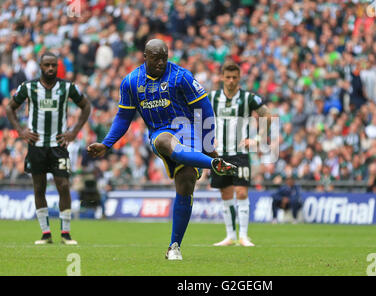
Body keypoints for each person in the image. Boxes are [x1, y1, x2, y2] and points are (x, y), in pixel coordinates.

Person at [86, 39, 238, 260]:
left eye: (164, 58)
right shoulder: (131, 82)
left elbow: (205, 109)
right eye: (156, 58)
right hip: (160, 133)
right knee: (165, 141)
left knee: (185, 183)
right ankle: (214, 164)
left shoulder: (181, 76)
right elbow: (123, 117)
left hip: (190, 135)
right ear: (145, 57)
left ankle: (174, 246)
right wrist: (107, 143)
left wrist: (207, 144)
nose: (161, 62)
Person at [6, 52, 91, 245]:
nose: (50, 68)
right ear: (40, 66)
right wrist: (20, 131)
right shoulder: (29, 87)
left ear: (57, 67)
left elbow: (86, 106)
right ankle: (45, 234)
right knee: (39, 188)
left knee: (63, 186)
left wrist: (74, 132)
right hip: (36, 145)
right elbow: (10, 107)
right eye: (47, 65)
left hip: (58, 145)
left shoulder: (67, 87)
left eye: (53, 65)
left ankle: (66, 233)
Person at [210, 60, 271, 247]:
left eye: (234, 77)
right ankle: (230, 236)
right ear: (222, 77)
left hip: (240, 152)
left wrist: (258, 140)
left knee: (241, 191)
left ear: (239, 78)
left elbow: (267, 116)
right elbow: (201, 117)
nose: (230, 81)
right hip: (219, 153)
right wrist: (209, 138)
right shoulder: (212, 97)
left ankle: (243, 236)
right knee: (226, 194)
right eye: (227, 77)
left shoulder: (247, 98)